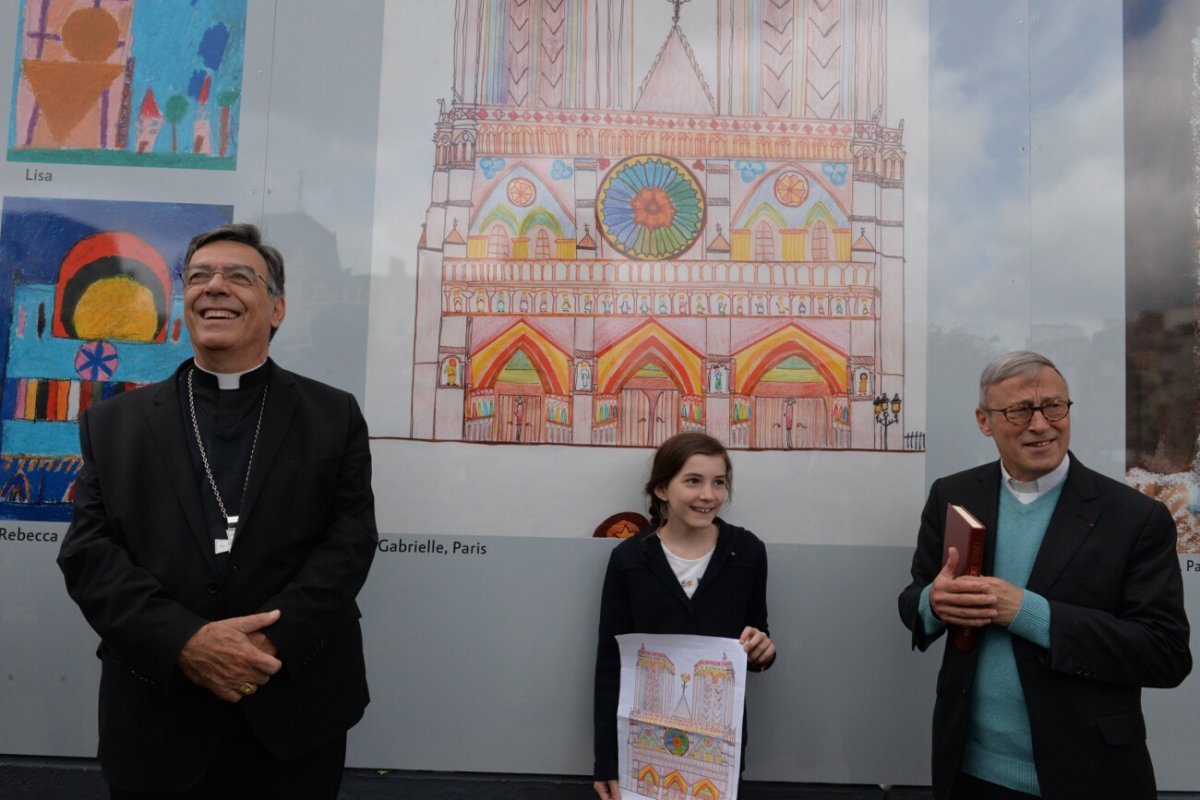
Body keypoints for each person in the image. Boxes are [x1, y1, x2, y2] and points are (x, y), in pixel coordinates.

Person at [58, 223, 378, 799]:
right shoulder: (115, 425)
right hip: (158, 717)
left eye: (239, 276)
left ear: (276, 308)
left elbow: (349, 543)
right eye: (199, 276)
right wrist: (186, 642)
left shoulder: (333, 416)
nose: (214, 287)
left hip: (293, 713)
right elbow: (88, 555)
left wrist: (262, 646)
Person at [898, 351, 1191, 800]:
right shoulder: (953, 494)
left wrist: (1030, 613)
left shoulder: (1135, 517)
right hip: (969, 772)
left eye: (1054, 406)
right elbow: (916, 596)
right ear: (984, 421)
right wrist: (933, 604)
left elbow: (1165, 653)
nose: (1041, 424)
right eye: (1019, 410)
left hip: (1087, 777)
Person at [593, 432, 775, 800]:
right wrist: (606, 762)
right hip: (643, 749)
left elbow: (758, 643)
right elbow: (611, 666)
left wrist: (763, 651)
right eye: (693, 480)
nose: (708, 495)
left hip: (717, 751)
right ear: (662, 489)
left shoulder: (748, 552)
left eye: (719, 483)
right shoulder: (629, 560)